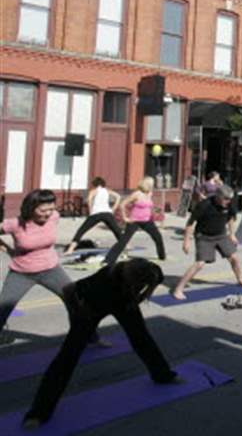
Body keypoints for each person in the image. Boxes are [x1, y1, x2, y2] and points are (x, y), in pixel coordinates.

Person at [21, 259, 180, 428]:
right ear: (131, 279)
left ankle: (162, 375)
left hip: (124, 302)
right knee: (67, 357)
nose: (143, 286)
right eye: (140, 284)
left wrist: (139, 297)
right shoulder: (102, 281)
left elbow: (150, 285)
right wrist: (77, 312)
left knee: (142, 338)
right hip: (92, 307)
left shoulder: (152, 270)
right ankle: (39, 412)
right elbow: (68, 290)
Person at [0, 190, 104, 346]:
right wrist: (8, 250)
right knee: (3, 307)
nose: (48, 213)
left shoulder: (54, 217)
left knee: (76, 302)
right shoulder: (15, 223)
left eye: (51, 209)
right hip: (21, 272)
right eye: (43, 210)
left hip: (51, 270)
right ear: (31, 207)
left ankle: (90, 338)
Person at [172, 185, 242, 300]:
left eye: (230, 199)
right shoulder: (204, 205)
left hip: (220, 235)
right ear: (218, 196)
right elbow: (190, 223)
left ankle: (240, 279)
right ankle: (178, 289)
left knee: (234, 258)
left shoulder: (229, 204)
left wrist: (232, 234)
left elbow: (230, 219)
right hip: (204, 236)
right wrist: (186, 242)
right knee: (200, 264)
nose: (228, 202)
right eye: (226, 199)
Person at [103, 177, 166, 266]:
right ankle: (108, 260)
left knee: (158, 237)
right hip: (135, 220)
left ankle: (162, 256)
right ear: (147, 184)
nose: (153, 186)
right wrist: (125, 218)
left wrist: (154, 213)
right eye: (152, 184)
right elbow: (123, 204)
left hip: (147, 220)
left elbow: (149, 206)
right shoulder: (137, 194)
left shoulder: (150, 193)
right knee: (124, 241)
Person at [64, 177, 124, 254]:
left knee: (81, 230)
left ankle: (71, 249)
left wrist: (90, 211)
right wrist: (113, 208)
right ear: (103, 184)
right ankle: (126, 245)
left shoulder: (93, 191)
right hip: (107, 213)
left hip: (96, 213)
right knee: (116, 230)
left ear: (95, 184)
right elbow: (118, 196)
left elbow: (89, 200)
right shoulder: (107, 190)